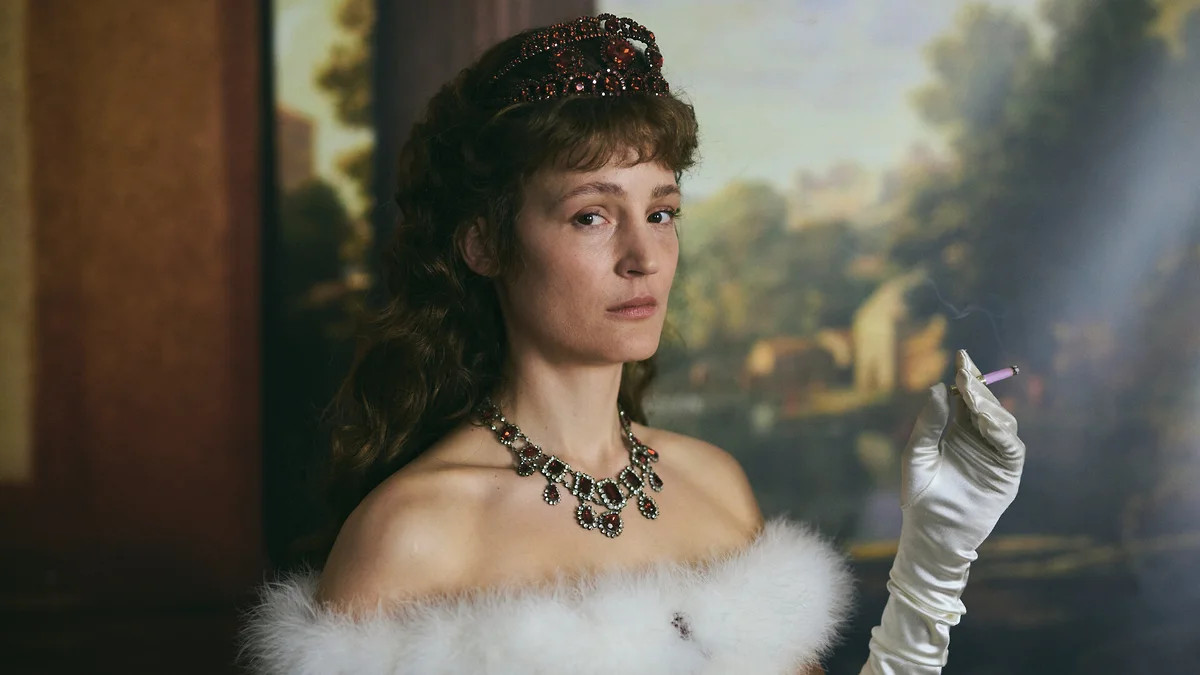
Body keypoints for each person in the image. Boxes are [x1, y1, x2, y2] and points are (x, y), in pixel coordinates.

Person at [240, 13, 1025, 674]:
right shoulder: (411, 535)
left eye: (661, 212)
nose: (643, 256)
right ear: (484, 242)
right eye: (592, 214)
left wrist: (934, 562)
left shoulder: (715, 487)